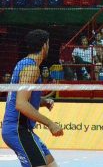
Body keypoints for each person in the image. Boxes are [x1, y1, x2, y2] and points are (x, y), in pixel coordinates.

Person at [1, 29, 64, 167]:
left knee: (51, 165)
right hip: (17, 130)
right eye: (48, 43)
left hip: (24, 130)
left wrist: (42, 102)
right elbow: (21, 104)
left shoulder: (23, 63)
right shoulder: (32, 69)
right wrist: (50, 124)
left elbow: (21, 97)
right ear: (44, 46)